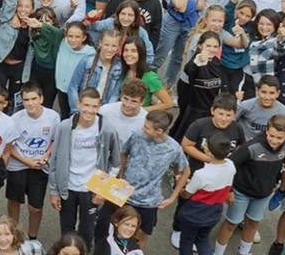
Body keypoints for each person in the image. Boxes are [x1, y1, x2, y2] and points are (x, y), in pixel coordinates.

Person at [94, 111, 189, 251]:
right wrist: (121, 177)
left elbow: (186, 171)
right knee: (106, 227)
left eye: (147, 127)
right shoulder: (137, 136)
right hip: (123, 194)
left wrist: (172, 197)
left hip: (147, 202)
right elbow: (124, 153)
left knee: (140, 236)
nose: (143, 129)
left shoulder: (173, 149)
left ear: (159, 131)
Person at [49, 88, 119, 250]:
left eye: (94, 106)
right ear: (78, 104)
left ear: (99, 106)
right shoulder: (65, 127)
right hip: (67, 187)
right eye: (86, 105)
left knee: (87, 233)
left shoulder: (107, 129)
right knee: (67, 231)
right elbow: (55, 160)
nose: (90, 110)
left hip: (91, 190)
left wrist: (103, 189)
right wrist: (54, 190)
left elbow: (115, 163)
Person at [214, 115, 285, 255]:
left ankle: (244, 252)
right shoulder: (251, 147)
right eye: (271, 135)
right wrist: (229, 190)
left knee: (253, 223)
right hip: (241, 192)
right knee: (231, 223)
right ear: (266, 131)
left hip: (263, 195)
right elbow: (229, 165)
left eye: (279, 138)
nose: (274, 141)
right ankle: (217, 253)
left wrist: (275, 182)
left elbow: (278, 165)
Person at [6, 82, 58, 240]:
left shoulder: (53, 117)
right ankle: (14, 235)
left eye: (34, 99)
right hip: (18, 166)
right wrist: (26, 161)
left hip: (40, 168)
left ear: (41, 99)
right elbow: (8, 147)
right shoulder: (15, 119)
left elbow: (55, 140)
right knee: (14, 201)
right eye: (26, 100)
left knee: (35, 208)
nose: (30, 103)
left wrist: (47, 155)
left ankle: (33, 238)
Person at [176, 133, 236, 255]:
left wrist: (180, 185)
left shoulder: (201, 174)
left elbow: (187, 194)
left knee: (187, 241)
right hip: (214, 212)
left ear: (209, 153)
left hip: (194, 214)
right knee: (202, 240)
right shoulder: (230, 166)